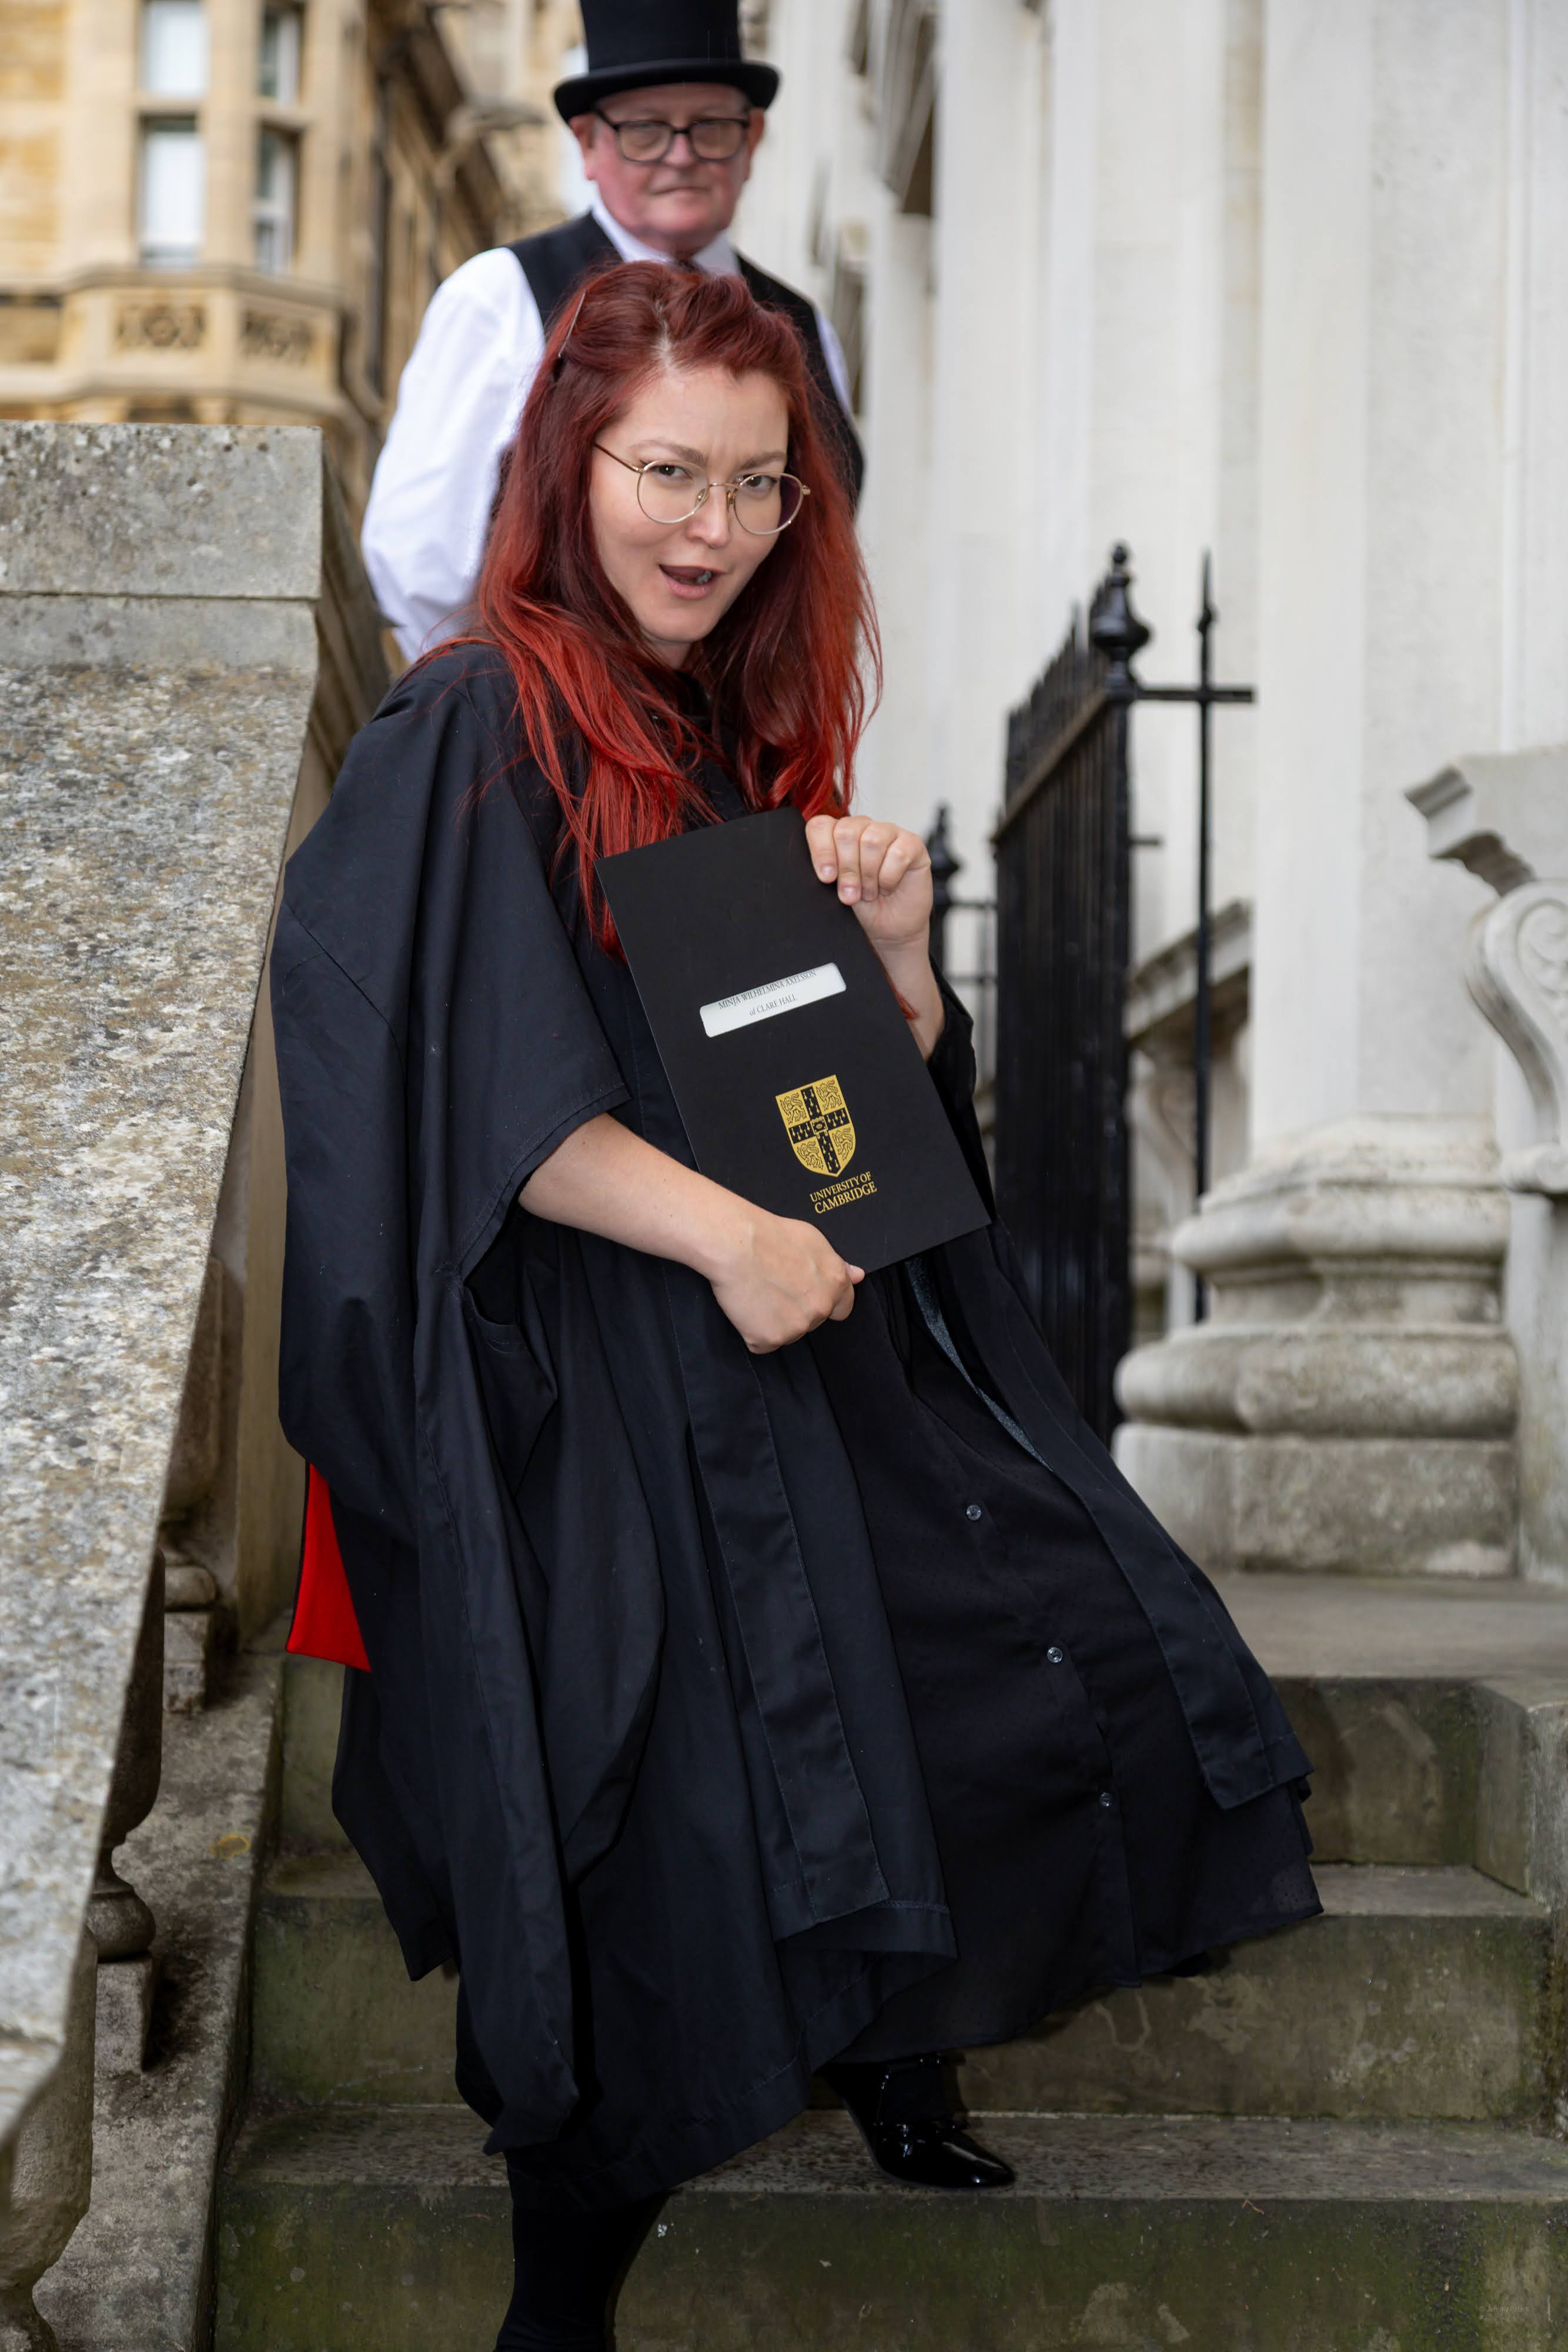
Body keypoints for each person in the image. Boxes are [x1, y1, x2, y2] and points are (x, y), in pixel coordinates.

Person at [273, 265, 1320, 2351]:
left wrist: (908, 968)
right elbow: (473, 1100)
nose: (714, 526)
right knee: (653, 1815)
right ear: (567, 461)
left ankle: (893, 2033)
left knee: (996, 1639)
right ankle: (555, 2306)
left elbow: (832, 1114)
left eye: (758, 485)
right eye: (668, 471)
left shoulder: (723, 739)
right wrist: (722, 1242)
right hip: (600, 1369)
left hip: (784, 1340)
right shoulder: (474, 718)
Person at [360, 0, 860, 665]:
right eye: (645, 130)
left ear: (753, 139)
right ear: (588, 143)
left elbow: (822, 560)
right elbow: (417, 563)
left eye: (712, 127)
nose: (681, 155)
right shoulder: (500, 293)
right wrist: (501, 699)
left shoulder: (806, 326)